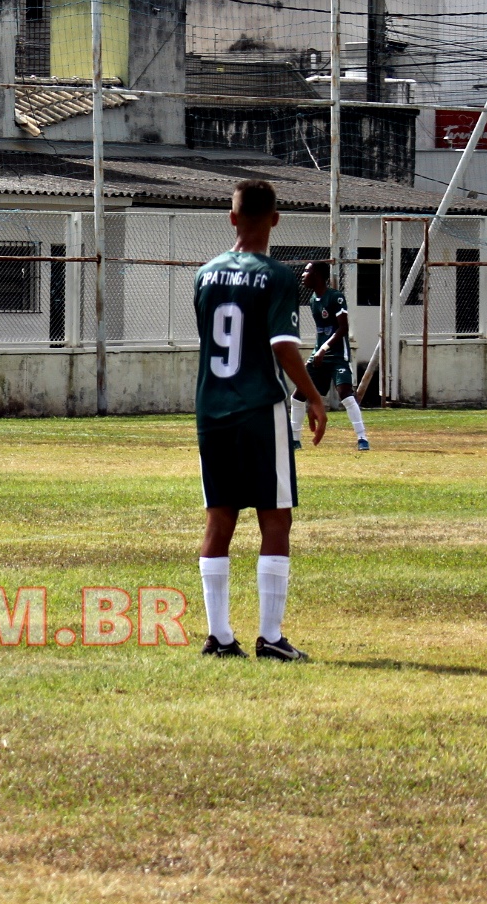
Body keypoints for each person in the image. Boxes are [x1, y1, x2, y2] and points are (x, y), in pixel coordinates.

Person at [193, 180, 327, 663]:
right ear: (275, 218)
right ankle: (270, 636)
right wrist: (311, 395)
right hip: (258, 407)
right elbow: (281, 346)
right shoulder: (278, 275)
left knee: (220, 516)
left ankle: (219, 635)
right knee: (275, 516)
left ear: (232, 218)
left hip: (211, 409)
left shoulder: (203, 275)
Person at [299, 259, 370, 451]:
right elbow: (321, 332)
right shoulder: (313, 300)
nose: (303, 275)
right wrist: (317, 351)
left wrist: (324, 349)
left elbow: (342, 329)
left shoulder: (336, 297)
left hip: (337, 353)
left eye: (307, 271)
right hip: (319, 353)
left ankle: (362, 438)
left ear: (319, 276)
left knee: (345, 394)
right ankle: (294, 438)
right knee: (298, 393)